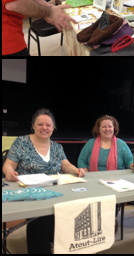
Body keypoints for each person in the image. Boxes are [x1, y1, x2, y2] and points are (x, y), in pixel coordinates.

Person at [2, 109, 85, 254]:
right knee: (42, 219)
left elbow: (65, 164)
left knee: (69, 211)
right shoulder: (21, 142)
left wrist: (75, 170)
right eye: (40, 124)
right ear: (33, 126)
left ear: (53, 128)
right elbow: (8, 165)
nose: (44, 128)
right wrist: (9, 172)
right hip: (30, 192)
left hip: (55, 190)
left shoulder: (56, 147)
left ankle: (60, 245)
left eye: (48, 125)